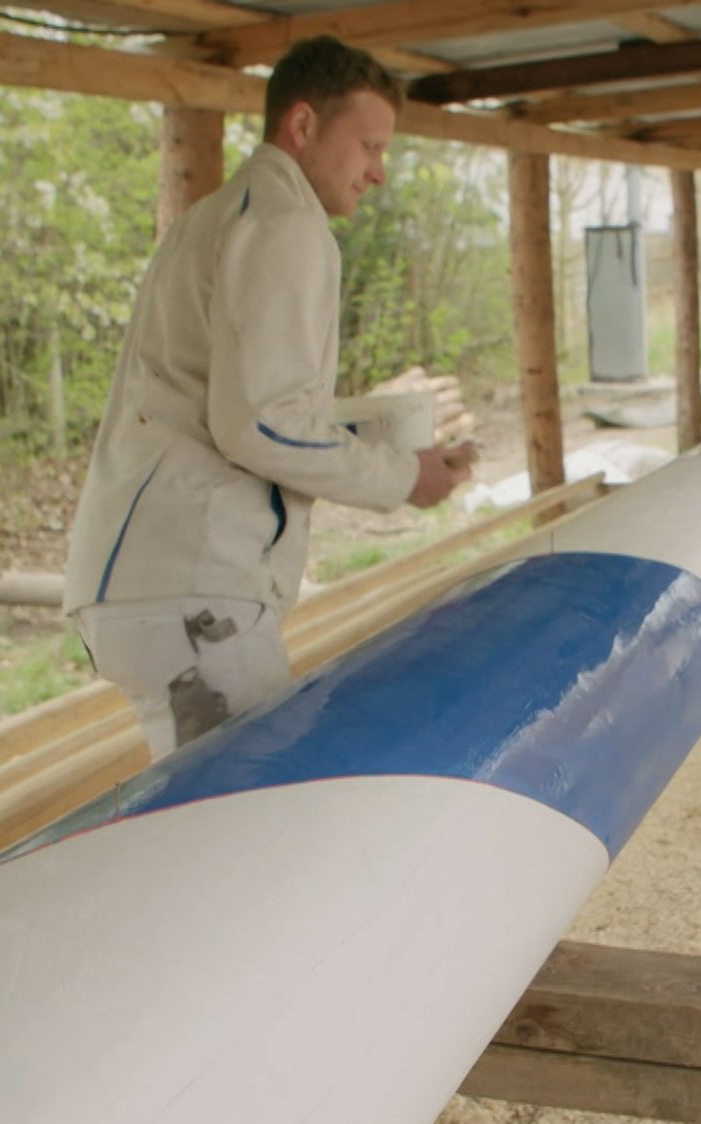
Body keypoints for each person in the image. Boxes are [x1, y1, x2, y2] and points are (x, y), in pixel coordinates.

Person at [62, 37, 474, 760]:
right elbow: (259, 424)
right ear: (304, 124)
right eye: (369, 146)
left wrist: (375, 433)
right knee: (240, 823)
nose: (378, 172)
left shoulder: (216, 217)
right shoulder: (287, 224)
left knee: (214, 821)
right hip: (195, 588)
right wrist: (406, 477)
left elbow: (241, 398)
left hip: (146, 577)